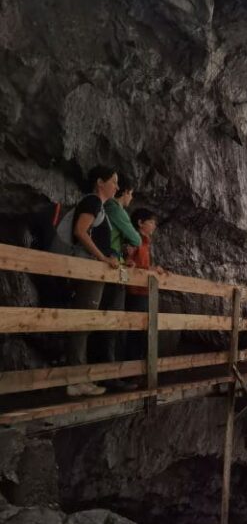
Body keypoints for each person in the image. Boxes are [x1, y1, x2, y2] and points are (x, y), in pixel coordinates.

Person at [64, 166, 120, 397]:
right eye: (114, 182)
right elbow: (80, 231)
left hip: (92, 270)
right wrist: (103, 258)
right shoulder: (92, 202)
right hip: (87, 270)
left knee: (85, 322)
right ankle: (75, 381)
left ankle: (79, 378)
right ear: (100, 182)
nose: (117, 187)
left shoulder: (99, 207)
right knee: (83, 322)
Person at [99, 181, 142, 389]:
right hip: (111, 270)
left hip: (111, 264)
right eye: (131, 194)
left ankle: (104, 374)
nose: (130, 198)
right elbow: (136, 238)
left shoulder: (104, 207)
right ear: (126, 192)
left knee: (107, 322)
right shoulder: (115, 208)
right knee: (112, 323)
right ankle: (108, 376)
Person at [125, 209, 163, 362]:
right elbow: (128, 264)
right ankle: (130, 372)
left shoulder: (146, 244)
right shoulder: (134, 241)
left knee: (144, 332)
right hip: (134, 293)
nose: (154, 225)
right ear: (140, 223)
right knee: (134, 332)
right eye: (151, 222)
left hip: (145, 293)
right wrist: (151, 270)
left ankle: (140, 371)